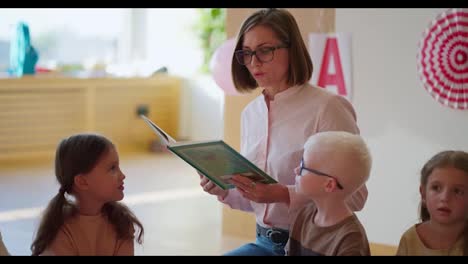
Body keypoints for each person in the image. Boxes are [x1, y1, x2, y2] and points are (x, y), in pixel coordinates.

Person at [199, 8, 368, 256]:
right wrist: (224, 189)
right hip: (264, 243)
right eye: (247, 53)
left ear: (292, 49)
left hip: (313, 246)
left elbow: (355, 196)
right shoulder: (250, 114)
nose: (254, 62)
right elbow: (262, 203)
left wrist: (284, 194)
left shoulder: (328, 108)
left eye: (265, 50)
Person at [30, 133, 144, 256]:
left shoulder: (122, 222)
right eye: (112, 168)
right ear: (82, 181)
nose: (122, 175)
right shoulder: (59, 230)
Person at [285, 131, 371, 256]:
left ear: (329, 185)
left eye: (303, 165)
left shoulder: (351, 240)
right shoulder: (304, 215)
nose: (296, 170)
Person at [396, 150, 468, 256]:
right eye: (436, 188)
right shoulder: (410, 239)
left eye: (457, 191)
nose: (445, 198)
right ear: (423, 193)